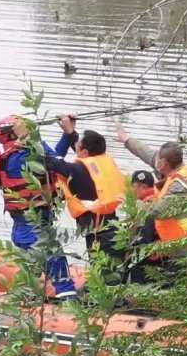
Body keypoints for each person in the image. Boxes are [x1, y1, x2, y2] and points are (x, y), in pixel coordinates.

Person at [0, 115, 77, 300]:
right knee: (55, 257)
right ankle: (69, 300)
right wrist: (30, 138)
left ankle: (24, 301)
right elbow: (51, 159)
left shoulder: (26, 155)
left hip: (31, 225)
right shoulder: (17, 159)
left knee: (31, 272)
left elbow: (53, 159)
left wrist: (68, 135)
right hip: (31, 226)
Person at [116, 125, 187, 283]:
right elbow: (149, 155)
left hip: (185, 250)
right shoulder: (178, 171)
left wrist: (133, 204)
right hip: (176, 244)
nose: (155, 160)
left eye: (158, 159)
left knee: (177, 292)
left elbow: (157, 211)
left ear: (163, 163)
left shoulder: (179, 188)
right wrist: (127, 141)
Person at [44, 116, 127, 283]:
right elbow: (81, 156)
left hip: (98, 231)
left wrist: (31, 137)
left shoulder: (77, 170)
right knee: (110, 268)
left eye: (77, 145)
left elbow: (50, 160)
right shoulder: (101, 162)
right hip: (111, 224)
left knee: (105, 274)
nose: (75, 147)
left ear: (84, 152)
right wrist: (70, 133)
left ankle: (108, 299)